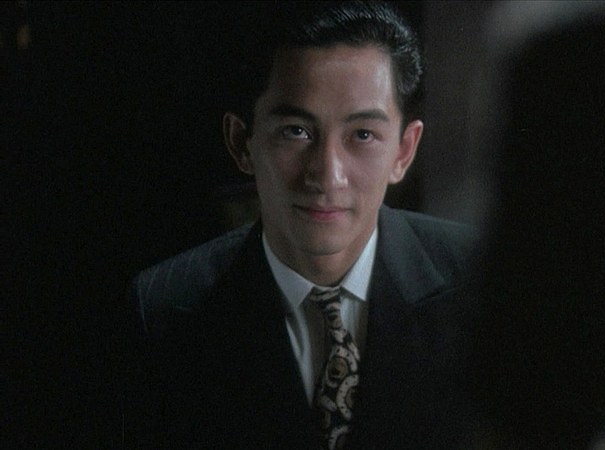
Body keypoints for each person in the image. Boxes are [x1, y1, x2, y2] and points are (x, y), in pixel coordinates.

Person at [123, 2, 481, 448]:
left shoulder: (481, 282)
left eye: (363, 135)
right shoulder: (163, 309)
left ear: (404, 151)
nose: (328, 175)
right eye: (296, 131)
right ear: (242, 143)